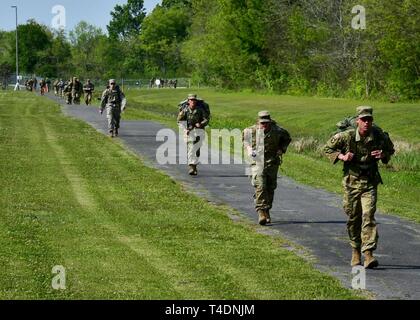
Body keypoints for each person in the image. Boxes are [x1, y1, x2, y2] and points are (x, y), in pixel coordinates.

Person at [324, 106, 395, 269]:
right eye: (363, 119)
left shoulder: (378, 135)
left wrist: (383, 155)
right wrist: (342, 156)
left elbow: (390, 150)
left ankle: (368, 254)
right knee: (354, 218)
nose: (366, 123)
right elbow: (327, 148)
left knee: (368, 216)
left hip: (370, 182)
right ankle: (356, 250)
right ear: (357, 121)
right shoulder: (346, 136)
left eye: (369, 119)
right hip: (351, 183)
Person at [243, 111, 291, 226]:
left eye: (266, 123)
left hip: (272, 162)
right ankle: (261, 212)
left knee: (270, 187)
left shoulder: (278, 131)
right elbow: (245, 140)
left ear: (270, 122)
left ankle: (267, 210)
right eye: (262, 123)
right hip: (256, 162)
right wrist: (249, 148)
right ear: (258, 122)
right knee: (260, 185)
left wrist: (281, 149)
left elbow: (287, 139)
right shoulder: (250, 130)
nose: (264, 125)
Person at [177, 94, 210, 176]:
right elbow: (179, 122)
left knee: (196, 150)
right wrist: (185, 129)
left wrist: (201, 124)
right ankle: (192, 167)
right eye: (191, 100)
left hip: (199, 131)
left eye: (194, 100)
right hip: (189, 132)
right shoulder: (184, 111)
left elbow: (206, 119)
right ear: (188, 101)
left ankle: (194, 167)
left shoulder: (200, 110)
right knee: (191, 148)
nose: (193, 101)